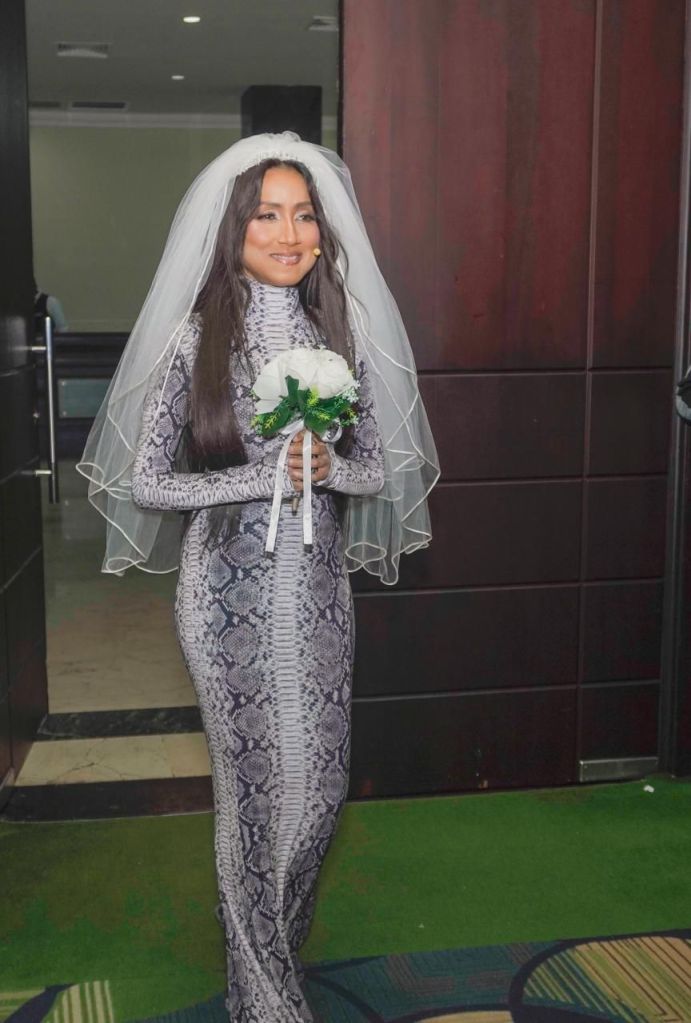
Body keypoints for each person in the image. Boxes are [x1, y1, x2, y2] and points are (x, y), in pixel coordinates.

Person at [78, 132, 438, 1023]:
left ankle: (265, 945)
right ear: (233, 228)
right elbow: (147, 483)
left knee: (317, 795)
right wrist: (257, 477)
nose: (288, 233)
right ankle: (266, 1000)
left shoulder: (340, 335)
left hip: (317, 595)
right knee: (250, 801)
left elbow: (378, 468)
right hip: (223, 597)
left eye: (304, 215)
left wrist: (327, 468)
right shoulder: (194, 339)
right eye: (267, 215)